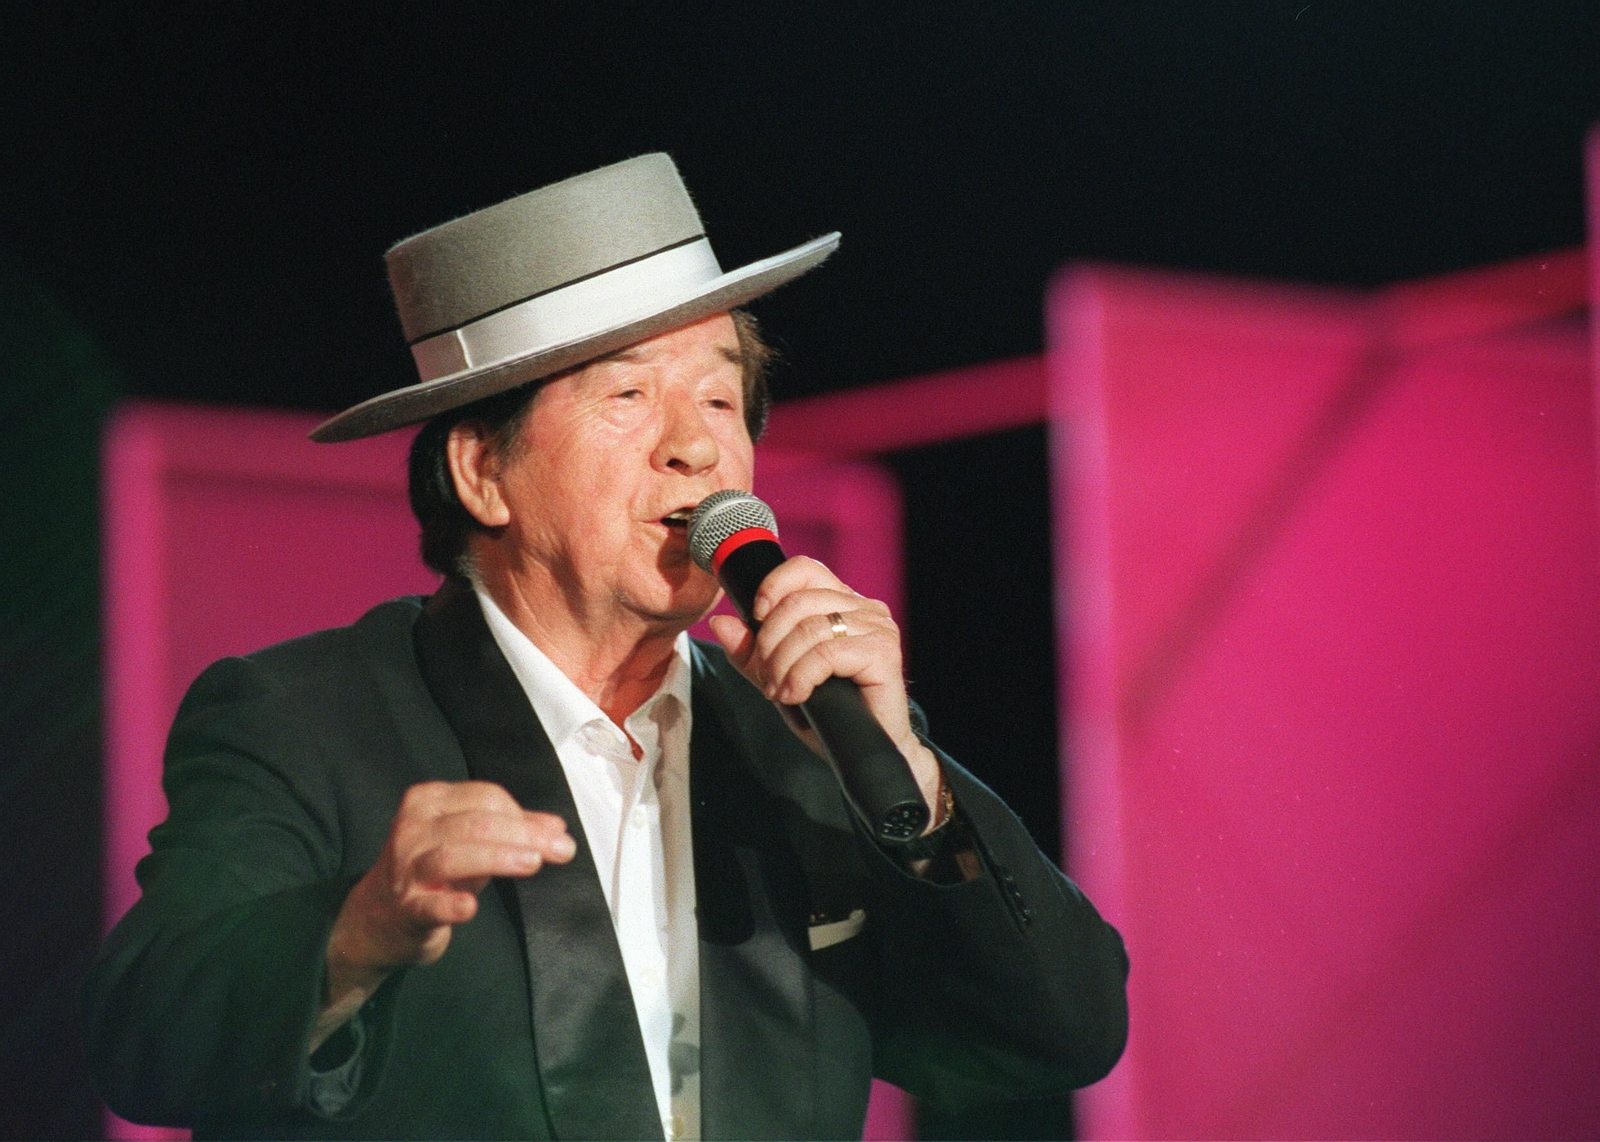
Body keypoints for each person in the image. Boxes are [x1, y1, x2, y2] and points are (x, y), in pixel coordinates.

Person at [85, 153, 1128, 1140]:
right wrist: (358, 931)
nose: (698, 443)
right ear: (481, 471)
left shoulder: (809, 743)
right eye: (628, 395)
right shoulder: (304, 715)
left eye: (721, 396)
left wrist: (909, 782)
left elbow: (1064, 1033)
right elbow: (144, 1035)